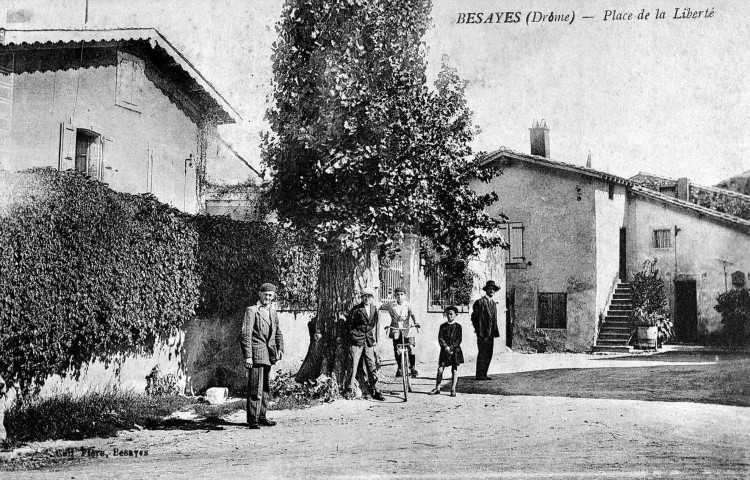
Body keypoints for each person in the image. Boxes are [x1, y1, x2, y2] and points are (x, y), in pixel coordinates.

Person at [240, 283, 284, 429]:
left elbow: (277, 332)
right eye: (266, 294)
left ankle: (262, 416)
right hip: (257, 354)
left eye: (271, 295)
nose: (268, 298)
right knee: (255, 388)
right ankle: (252, 419)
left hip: (269, 354)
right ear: (259, 294)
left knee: (265, 387)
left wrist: (280, 348)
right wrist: (248, 356)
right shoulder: (251, 311)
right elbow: (246, 334)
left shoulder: (272, 312)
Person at [344, 288, 385, 401]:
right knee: (353, 364)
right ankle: (349, 389)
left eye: (369, 296)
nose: (367, 299)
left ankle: (375, 389)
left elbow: (374, 325)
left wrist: (374, 340)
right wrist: (354, 335)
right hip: (357, 339)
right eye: (365, 296)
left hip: (369, 340)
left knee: (371, 364)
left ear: (372, 298)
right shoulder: (356, 310)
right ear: (361, 298)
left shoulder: (374, 309)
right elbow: (349, 325)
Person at [384, 286, 419, 378]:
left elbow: (413, 315)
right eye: (397, 294)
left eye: (401, 294)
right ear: (395, 295)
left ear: (405, 295)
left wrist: (416, 323)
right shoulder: (391, 305)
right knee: (397, 349)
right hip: (396, 329)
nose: (399, 296)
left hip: (407, 329)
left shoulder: (408, 305)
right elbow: (379, 307)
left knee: (411, 347)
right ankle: (399, 367)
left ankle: (413, 368)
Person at [429, 305, 464, 397]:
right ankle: (437, 388)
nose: (449, 316)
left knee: (454, 370)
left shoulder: (458, 327)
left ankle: (453, 389)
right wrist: (446, 347)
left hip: (454, 351)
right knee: (440, 369)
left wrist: (451, 348)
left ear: (456, 315)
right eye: (448, 314)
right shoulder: (443, 326)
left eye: (451, 314)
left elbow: (458, 340)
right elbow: (440, 338)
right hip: (444, 351)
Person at [471, 280, 501, 381]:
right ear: (486, 290)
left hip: (491, 333)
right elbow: (474, 318)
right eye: (490, 289)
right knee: (482, 353)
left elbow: (494, 319)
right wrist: (478, 329)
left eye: (493, 289)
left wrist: (494, 331)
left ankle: (484, 374)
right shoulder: (479, 302)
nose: (491, 291)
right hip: (482, 333)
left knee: (489, 353)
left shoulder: (493, 304)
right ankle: (479, 375)